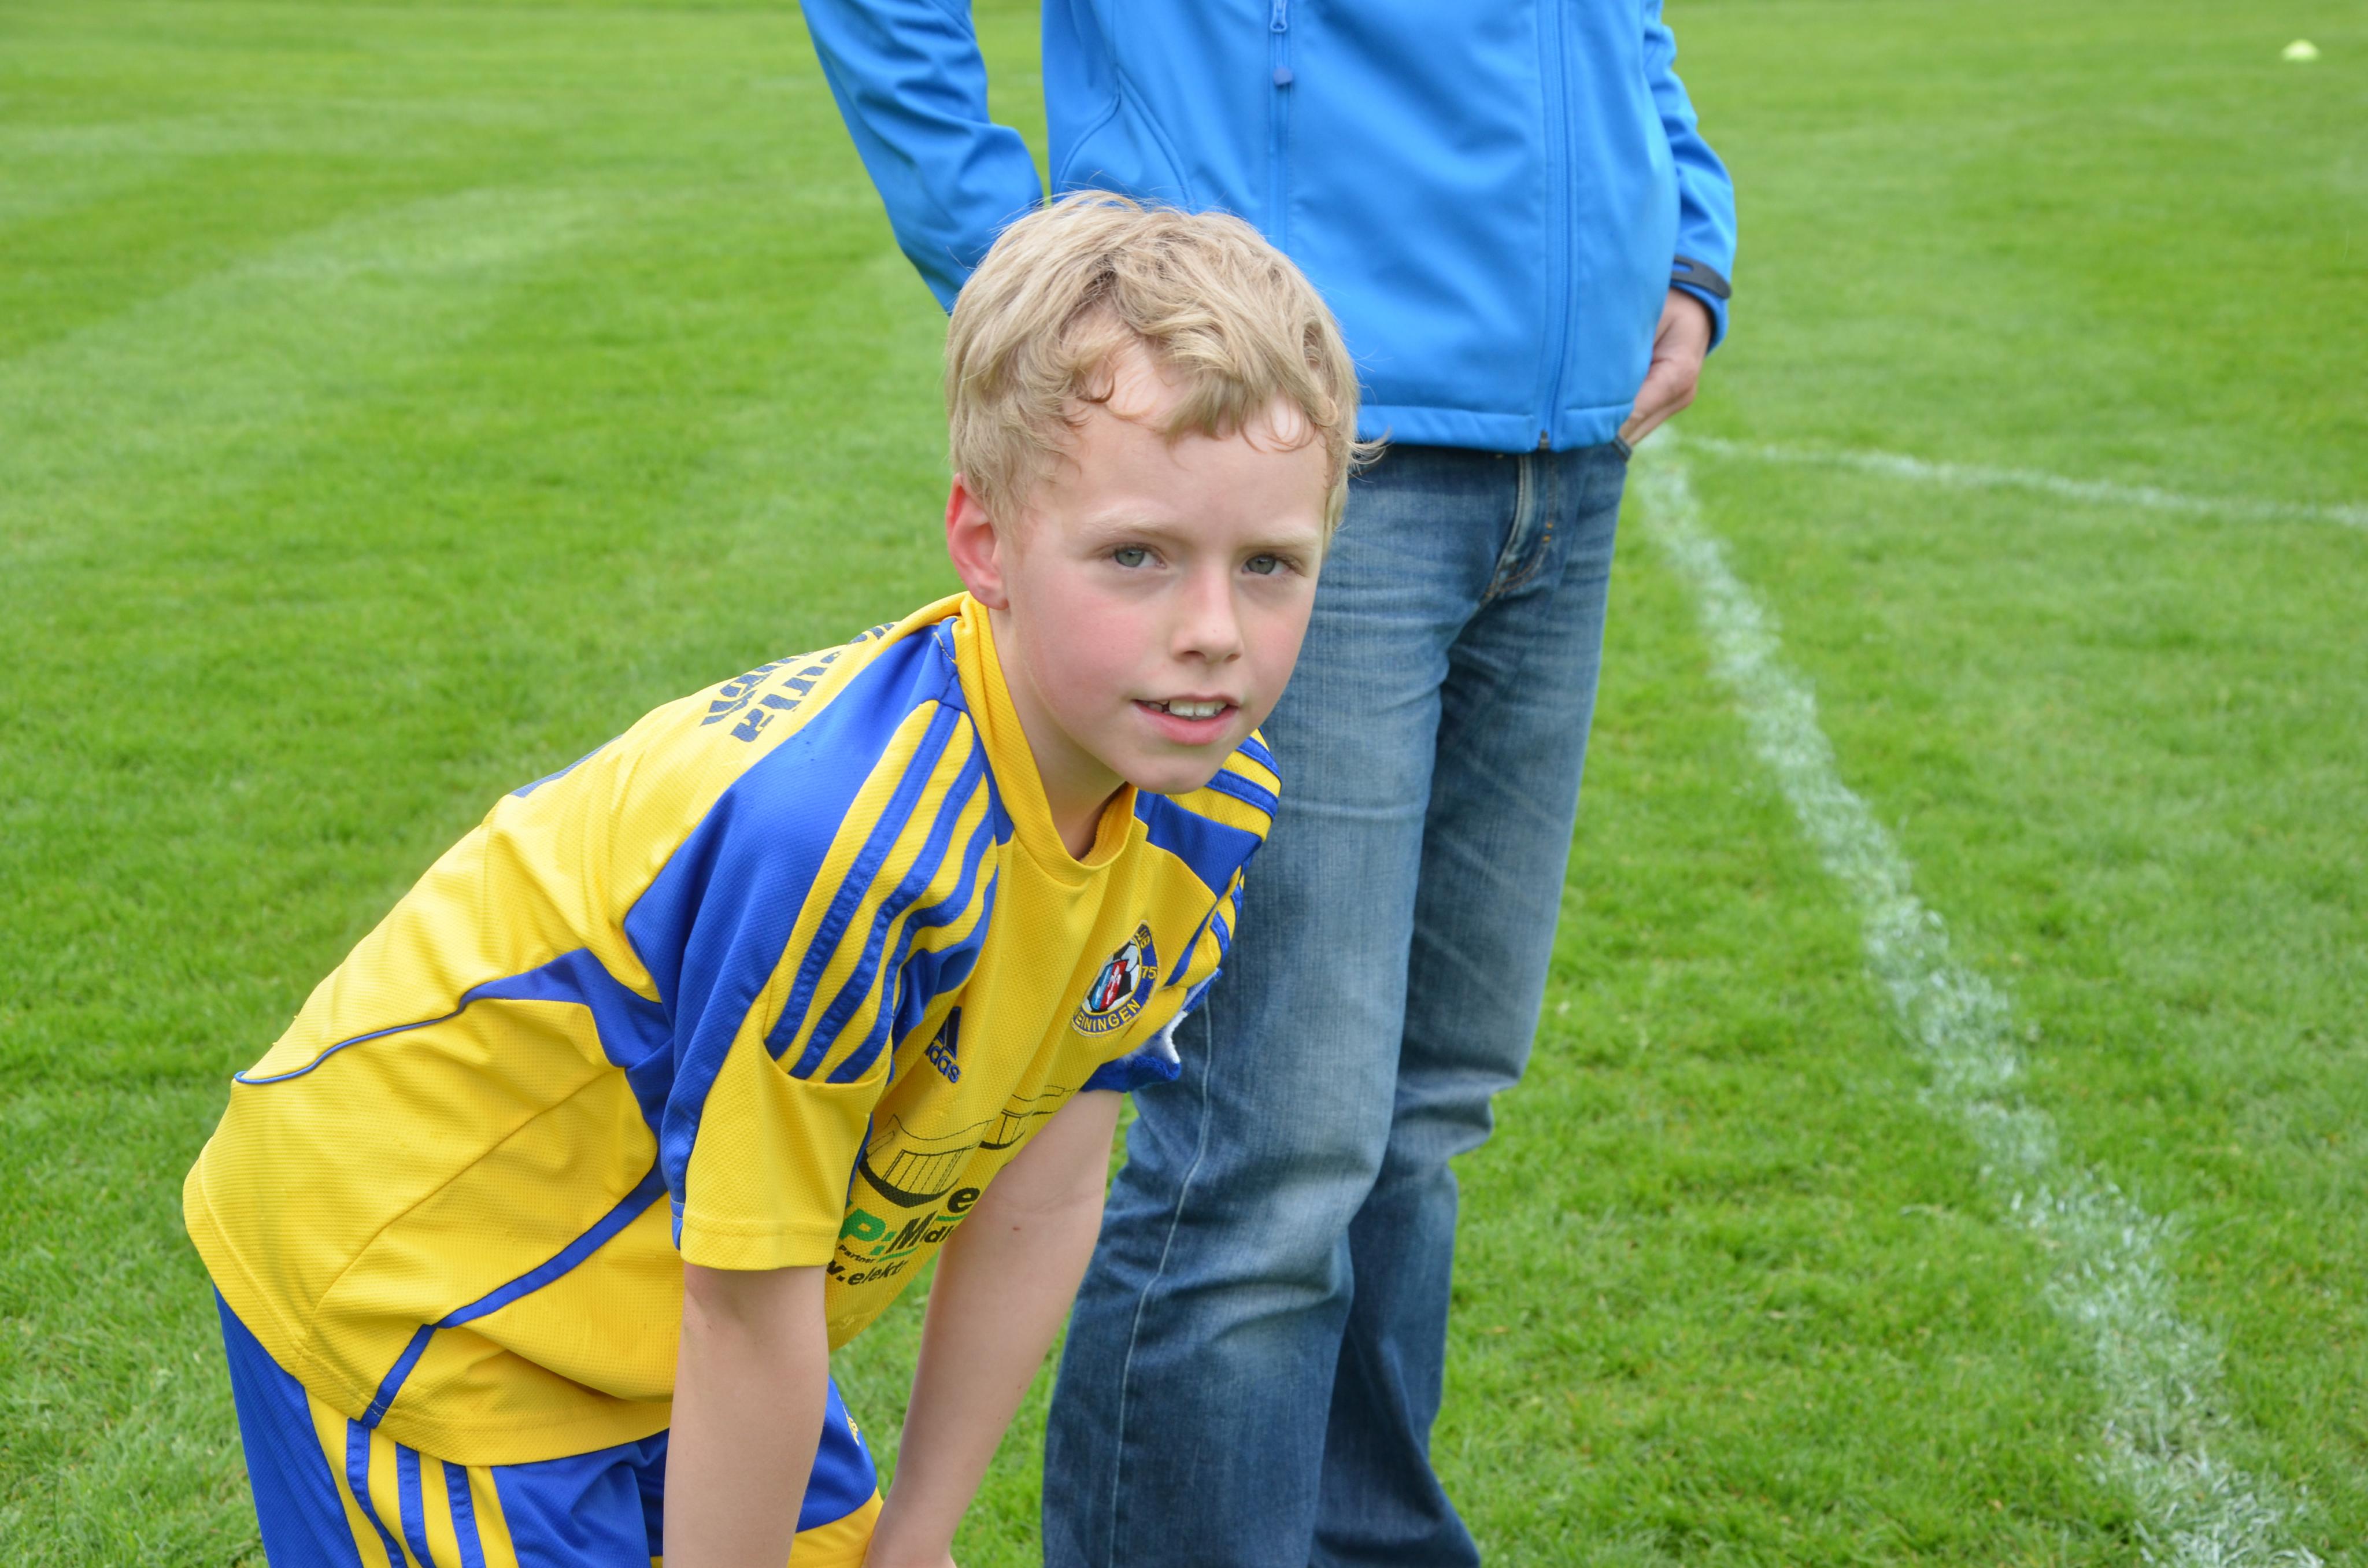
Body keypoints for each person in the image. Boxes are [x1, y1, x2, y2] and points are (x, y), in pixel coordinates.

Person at [180, 194, 1363, 1568]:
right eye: (1135, 557)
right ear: (983, 544)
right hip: (429, 1298)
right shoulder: (855, 852)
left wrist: (918, 1530)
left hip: (675, 1305)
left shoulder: (1206, 803)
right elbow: (743, 1315)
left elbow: (1041, 1192)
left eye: (1268, 565)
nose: (1214, 632)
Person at [799, 4, 1737, 1563]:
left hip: (1567, 445)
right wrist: (1032, 275)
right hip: (1275, 438)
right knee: (1266, 1149)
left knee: (1427, 1107)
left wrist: (1682, 229)